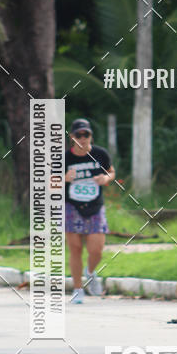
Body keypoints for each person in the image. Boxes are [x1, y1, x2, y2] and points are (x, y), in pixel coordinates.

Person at [64, 118, 115, 304]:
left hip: (95, 206)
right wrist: (64, 178)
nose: (83, 138)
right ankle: (78, 289)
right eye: (79, 135)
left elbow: (111, 171)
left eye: (86, 135)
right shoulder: (64, 158)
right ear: (72, 137)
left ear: (91, 136)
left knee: (96, 250)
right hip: (71, 206)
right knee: (75, 249)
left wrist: (106, 178)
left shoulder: (100, 154)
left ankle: (90, 272)